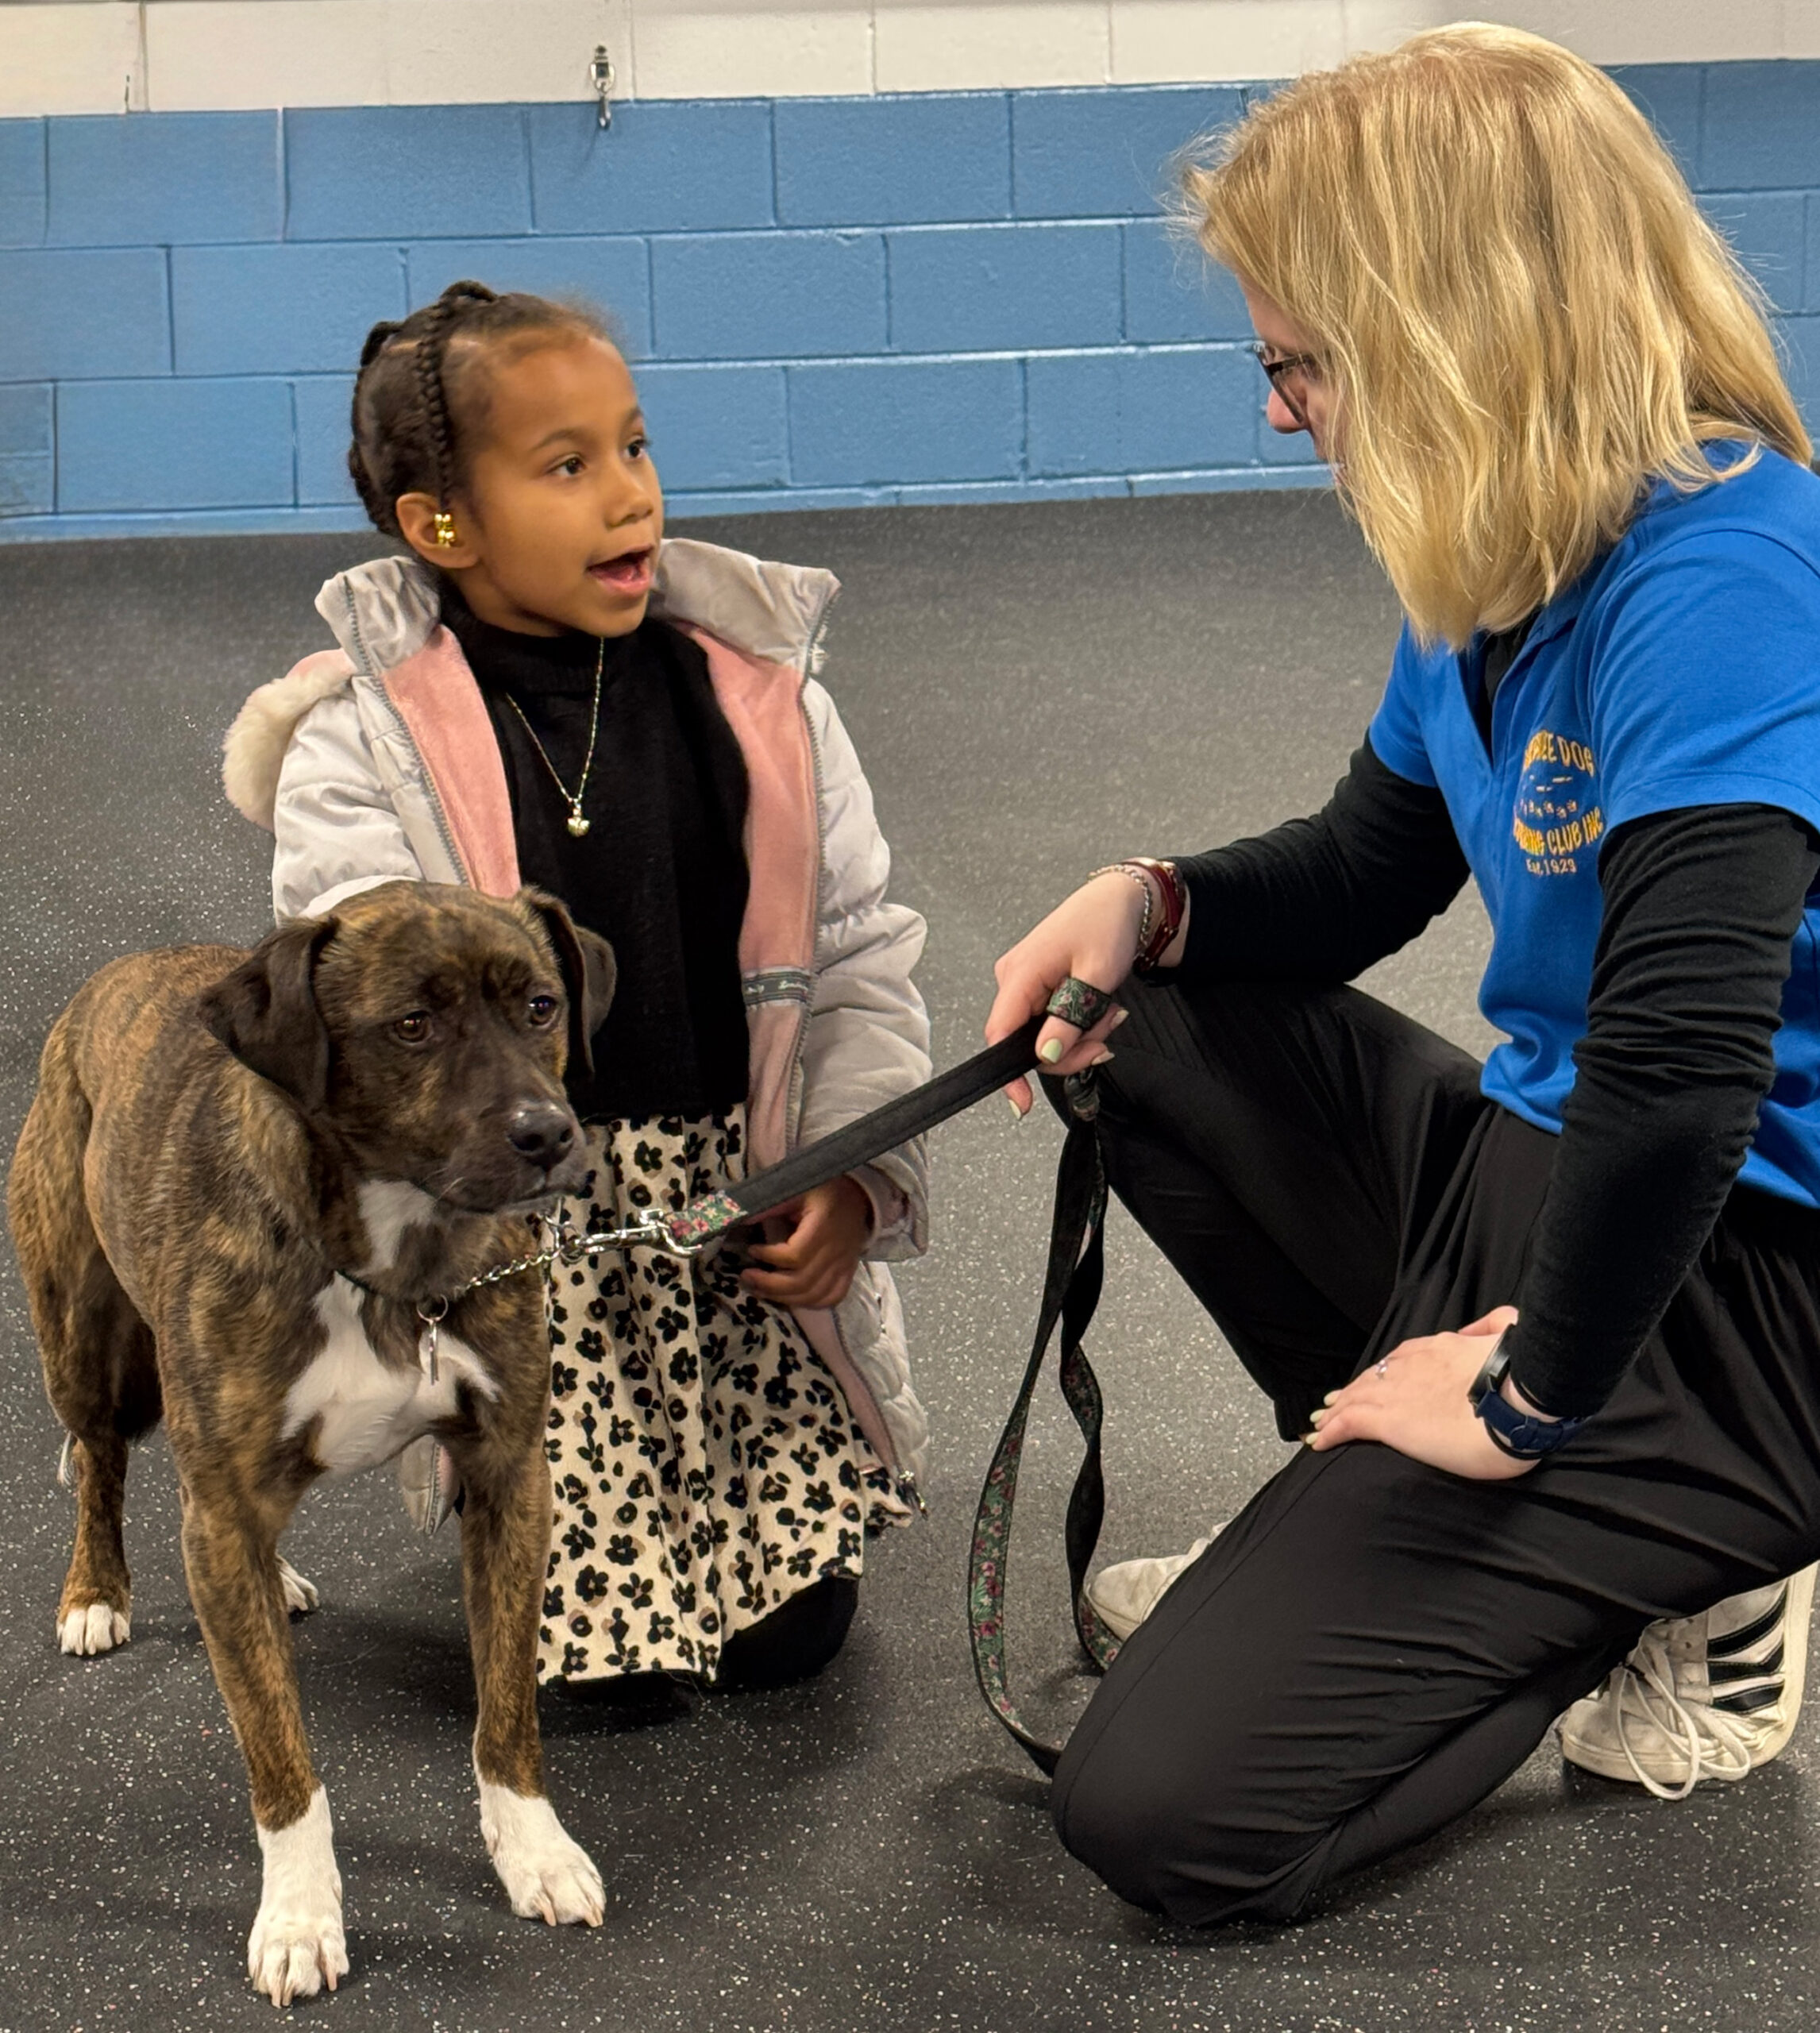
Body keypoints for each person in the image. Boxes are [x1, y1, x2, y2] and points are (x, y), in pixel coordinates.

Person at [987, 23, 1820, 1920]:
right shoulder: (1496, 551)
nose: (1281, 411)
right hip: (1549, 1173)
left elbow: (1686, 1069)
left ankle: (1659, 1584)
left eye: (1300, 361)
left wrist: (1530, 1400)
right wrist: (1152, 896)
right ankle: (1403, 1553)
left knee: (1163, 1817)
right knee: (1151, 1017)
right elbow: (1367, 867)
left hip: (1731, 1279)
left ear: (1454, 329)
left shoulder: (1730, 571)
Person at [223, 281, 931, 1694]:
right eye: (567, 465)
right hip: (529, 1223)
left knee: (797, 1642)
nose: (629, 495)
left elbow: (858, 954)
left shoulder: (763, 698)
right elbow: (353, 1025)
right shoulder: (356, 741)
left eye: (636, 446)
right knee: (600, 1671)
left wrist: (855, 1178)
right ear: (443, 526)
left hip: (735, 1203)